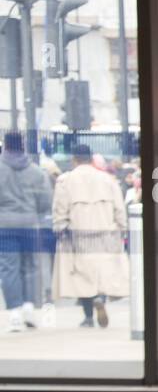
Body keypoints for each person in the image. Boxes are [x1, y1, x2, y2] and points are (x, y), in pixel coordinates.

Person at [52, 142, 129, 329]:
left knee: (82, 276)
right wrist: (122, 228)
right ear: (92, 158)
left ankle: (88, 317)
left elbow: (60, 209)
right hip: (106, 233)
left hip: (79, 234)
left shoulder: (65, 181)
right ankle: (100, 298)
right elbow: (119, 208)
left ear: (74, 159)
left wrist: (60, 227)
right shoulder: (108, 180)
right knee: (101, 272)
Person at [0, 131, 52, 332]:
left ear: (5, 146)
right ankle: (29, 307)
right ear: (23, 146)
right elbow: (45, 200)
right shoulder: (36, 172)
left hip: (5, 225)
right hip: (30, 224)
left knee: (8, 267)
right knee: (30, 266)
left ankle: (14, 312)